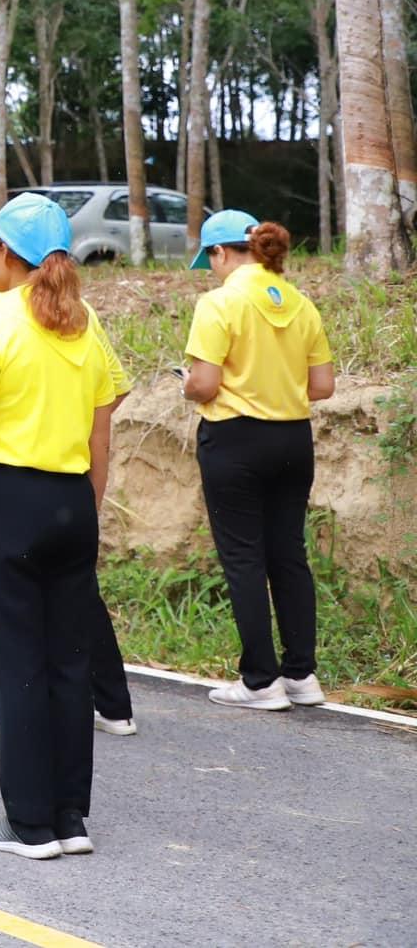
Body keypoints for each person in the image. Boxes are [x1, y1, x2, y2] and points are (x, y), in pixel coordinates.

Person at [0, 193, 120, 860]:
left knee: (17, 662)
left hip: (9, 500)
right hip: (73, 500)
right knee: (68, 663)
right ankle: (70, 817)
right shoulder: (85, 321)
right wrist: (84, 509)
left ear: (5, 253)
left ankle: (28, 823)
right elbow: (102, 436)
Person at [182, 211, 335, 713]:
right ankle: (301, 675)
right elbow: (322, 387)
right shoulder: (300, 302)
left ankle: (259, 681)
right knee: (288, 554)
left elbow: (204, 384)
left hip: (235, 440)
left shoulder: (219, 303)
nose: (212, 269)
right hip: (293, 439)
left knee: (244, 558)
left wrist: (187, 385)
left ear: (221, 252)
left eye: (211, 259)